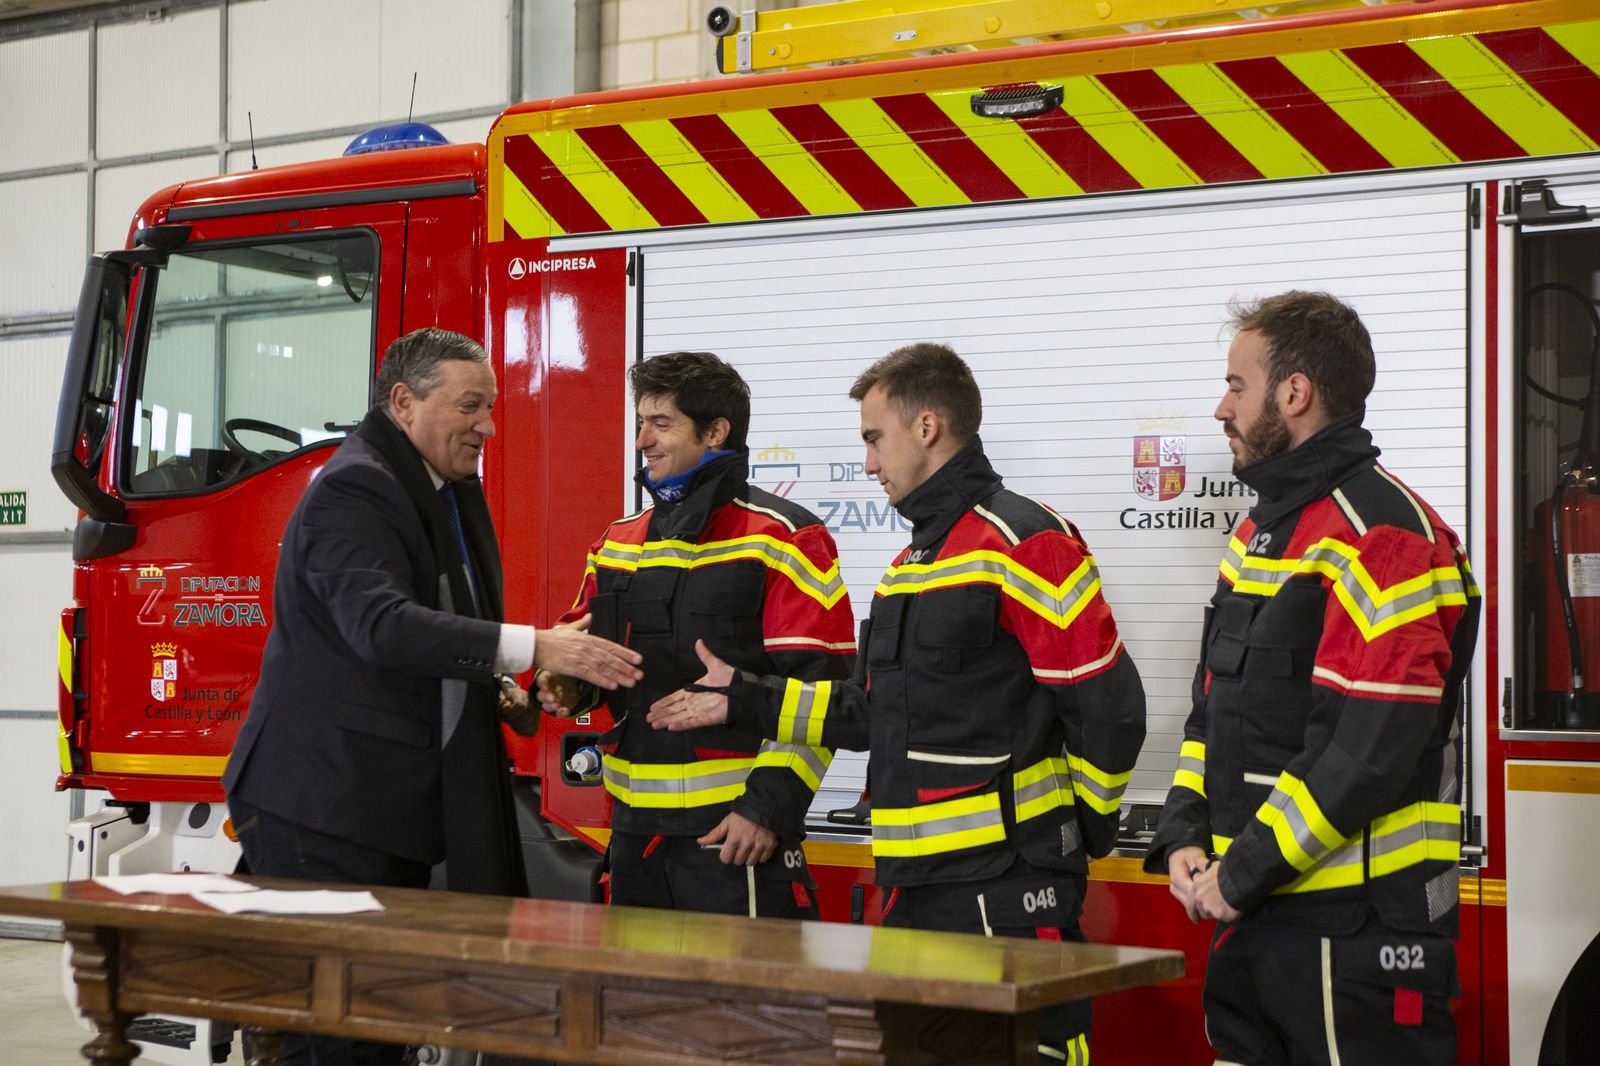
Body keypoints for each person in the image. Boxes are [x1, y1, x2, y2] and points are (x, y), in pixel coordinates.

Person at [647, 343, 1146, 1065]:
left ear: (927, 427)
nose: (870, 464)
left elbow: (1110, 707)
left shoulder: (1027, 540)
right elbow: (876, 716)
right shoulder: (912, 566)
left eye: (874, 440)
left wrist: (1084, 829)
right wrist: (745, 702)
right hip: (914, 887)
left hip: (1005, 888)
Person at [223, 327, 642, 1065]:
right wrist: (537, 645)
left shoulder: (431, 488)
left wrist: (500, 686)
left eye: (491, 407)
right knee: (342, 1033)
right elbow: (382, 626)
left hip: (370, 806)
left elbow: (437, 627)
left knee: (374, 1019)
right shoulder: (356, 489)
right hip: (327, 806)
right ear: (404, 402)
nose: (488, 425)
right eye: (471, 406)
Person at [1142, 292, 1481, 1065]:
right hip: (1254, 916)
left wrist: (1244, 872)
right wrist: (1186, 835)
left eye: (1237, 385)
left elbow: (1366, 748)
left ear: (1294, 394)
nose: (1221, 407)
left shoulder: (1386, 535)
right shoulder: (1260, 533)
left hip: (1354, 932)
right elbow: (1213, 714)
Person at [536, 351, 854, 918]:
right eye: (640, 423)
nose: (642, 441)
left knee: (744, 1008)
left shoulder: (785, 538)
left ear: (715, 431)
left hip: (734, 843)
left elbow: (820, 696)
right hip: (633, 841)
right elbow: (586, 655)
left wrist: (767, 811)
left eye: (660, 424)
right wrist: (565, 685)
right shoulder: (617, 541)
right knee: (640, 1005)